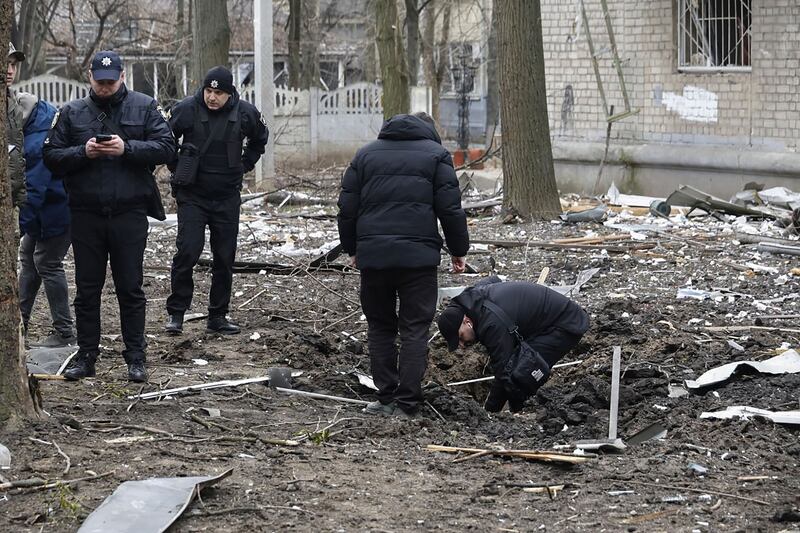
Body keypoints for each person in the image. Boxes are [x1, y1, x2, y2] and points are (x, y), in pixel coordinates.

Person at [43, 50, 176, 382]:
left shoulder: (145, 106)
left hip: (129, 213)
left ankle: (136, 356)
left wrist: (127, 148)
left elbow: (168, 147)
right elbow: (50, 155)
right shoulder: (71, 112)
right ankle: (86, 356)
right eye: (99, 82)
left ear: (122, 77)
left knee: (130, 288)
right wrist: (83, 152)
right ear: (89, 77)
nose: (105, 87)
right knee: (87, 290)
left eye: (111, 81)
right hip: (85, 213)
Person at [337, 112, 469, 418]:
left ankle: (385, 398)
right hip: (418, 260)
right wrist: (458, 249)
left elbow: (347, 208)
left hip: (375, 257)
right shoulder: (437, 156)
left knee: (380, 326)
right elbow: (450, 210)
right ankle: (408, 403)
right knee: (414, 329)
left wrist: (352, 248)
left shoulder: (365, 155)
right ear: (429, 133)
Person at [164, 66, 268, 336]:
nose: (212, 97)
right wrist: (179, 166)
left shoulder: (245, 113)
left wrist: (245, 164)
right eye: (208, 91)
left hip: (226, 196)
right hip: (193, 195)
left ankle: (217, 315)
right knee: (188, 251)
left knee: (224, 257)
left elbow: (259, 140)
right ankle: (177, 313)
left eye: (218, 93)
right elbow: (164, 138)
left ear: (229, 93)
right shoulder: (187, 108)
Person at [437, 276, 590, 413]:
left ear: (467, 322)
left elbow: (504, 370)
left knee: (520, 374)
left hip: (565, 324)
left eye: (461, 337)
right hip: (547, 320)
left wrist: (489, 412)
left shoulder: (491, 324)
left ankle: (523, 413)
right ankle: (518, 409)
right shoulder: (471, 298)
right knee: (515, 366)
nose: (462, 345)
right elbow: (493, 279)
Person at [9, 45, 75, 347]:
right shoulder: (30, 123)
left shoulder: (36, 140)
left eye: (13, 64)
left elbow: (33, 191)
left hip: (57, 211)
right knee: (28, 258)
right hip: (42, 214)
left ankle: (64, 332)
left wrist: (15, 229)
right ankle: (18, 322)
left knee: (47, 262)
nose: (10, 69)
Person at [6, 43, 26, 211]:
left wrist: (19, 199)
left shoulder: (13, 103)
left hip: (10, 201)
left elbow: (16, 152)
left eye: (13, 64)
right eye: (5, 63)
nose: (10, 70)